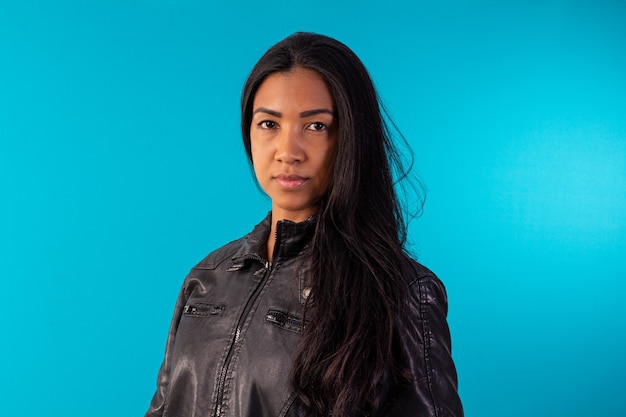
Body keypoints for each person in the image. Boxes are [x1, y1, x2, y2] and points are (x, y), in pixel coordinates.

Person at [145, 32, 463, 417]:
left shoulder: (400, 292)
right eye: (269, 124)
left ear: (350, 137)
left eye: (315, 127)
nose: (288, 152)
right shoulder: (207, 277)